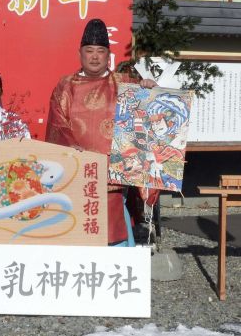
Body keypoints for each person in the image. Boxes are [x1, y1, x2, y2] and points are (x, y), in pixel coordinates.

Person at [45, 18, 157, 246]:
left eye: (100, 51)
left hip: (113, 181)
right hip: (78, 177)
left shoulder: (125, 84)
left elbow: (145, 123)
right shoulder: (65, 86)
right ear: (80, 53)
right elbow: (57, 126)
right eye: (89, 51)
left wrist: (147, 90)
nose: (95, 56)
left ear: (108, 55)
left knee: (114, 237)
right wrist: (71, 150)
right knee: (77, 239)